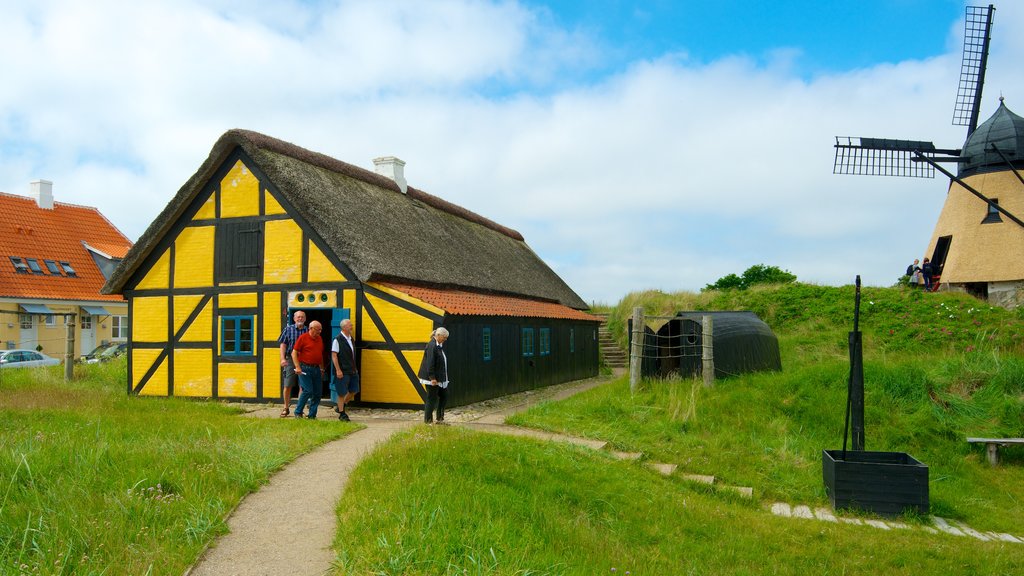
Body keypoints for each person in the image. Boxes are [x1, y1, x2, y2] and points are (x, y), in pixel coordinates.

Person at [291, 320, 325, 419]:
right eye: (317, 329)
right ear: (311, 329)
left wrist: (322, 368)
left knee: (317, 393)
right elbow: (294, 353)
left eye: (320, 329)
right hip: (304, 368)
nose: (319, 331)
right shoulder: (303, 338)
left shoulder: (319, 339)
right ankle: (298, 412)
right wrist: (297, 367)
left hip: (316, 369)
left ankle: (312, 415)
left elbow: (320, 354)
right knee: (308, 391)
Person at [276, 310, 307, 417]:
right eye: (298, 317)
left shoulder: (308, 330)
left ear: (305, 319)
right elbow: (283, 345)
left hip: (303, 360)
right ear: (294, 319)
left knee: (302, 386)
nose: (300, 319)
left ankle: (299, 409)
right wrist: (282, 359)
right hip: (289, 360)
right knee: (288, 384)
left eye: (302, 317)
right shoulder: (288, 329)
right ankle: (285, 407)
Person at [418, 327, 450, 424]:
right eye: (444, 337)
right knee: (431, 398)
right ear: (438, 335)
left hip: (440, 378)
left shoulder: (438, 345)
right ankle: (428, 421)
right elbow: (430, 363)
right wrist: (432, 378)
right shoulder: (432, 346)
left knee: (445, 395)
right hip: (432, 379)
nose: (445, 339)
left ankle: (440, 419)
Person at [330, 319, 359, 422]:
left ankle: (340, 406)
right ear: (344, 327)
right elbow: (334, 356)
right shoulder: (337, 340)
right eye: (350, 325)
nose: (351, 326)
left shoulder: (351, 339)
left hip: (352, 370)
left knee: (354, 390)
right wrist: (338, 370)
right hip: (343, 370)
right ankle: (342, 414)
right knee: (341, 393)